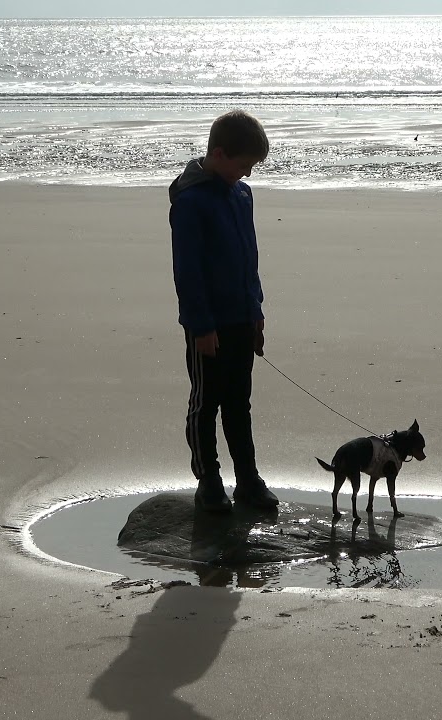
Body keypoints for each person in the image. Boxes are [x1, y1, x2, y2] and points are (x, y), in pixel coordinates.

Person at [169, 110, 278, 513]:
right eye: (243, 165)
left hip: (240, 318)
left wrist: (256, 312)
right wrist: (200, 326)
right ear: (218, 153)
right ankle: (209, 480)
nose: (247, 174)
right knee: (205, 401)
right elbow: (188, 271)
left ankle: (247, 479)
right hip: (207, 326)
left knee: (239, 402)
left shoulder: (241, 195)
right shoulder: (191, 201)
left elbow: (250, 257)